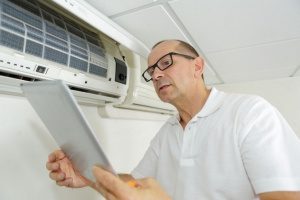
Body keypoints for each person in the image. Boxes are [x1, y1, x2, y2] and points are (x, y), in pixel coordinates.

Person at [46, 39, 300, 200]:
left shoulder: (250, 113)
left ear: (198, 66)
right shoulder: (167, 132)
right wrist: (88, 174)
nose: (156, 75)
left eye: (165, 63)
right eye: (151, 70)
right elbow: (134, 182)